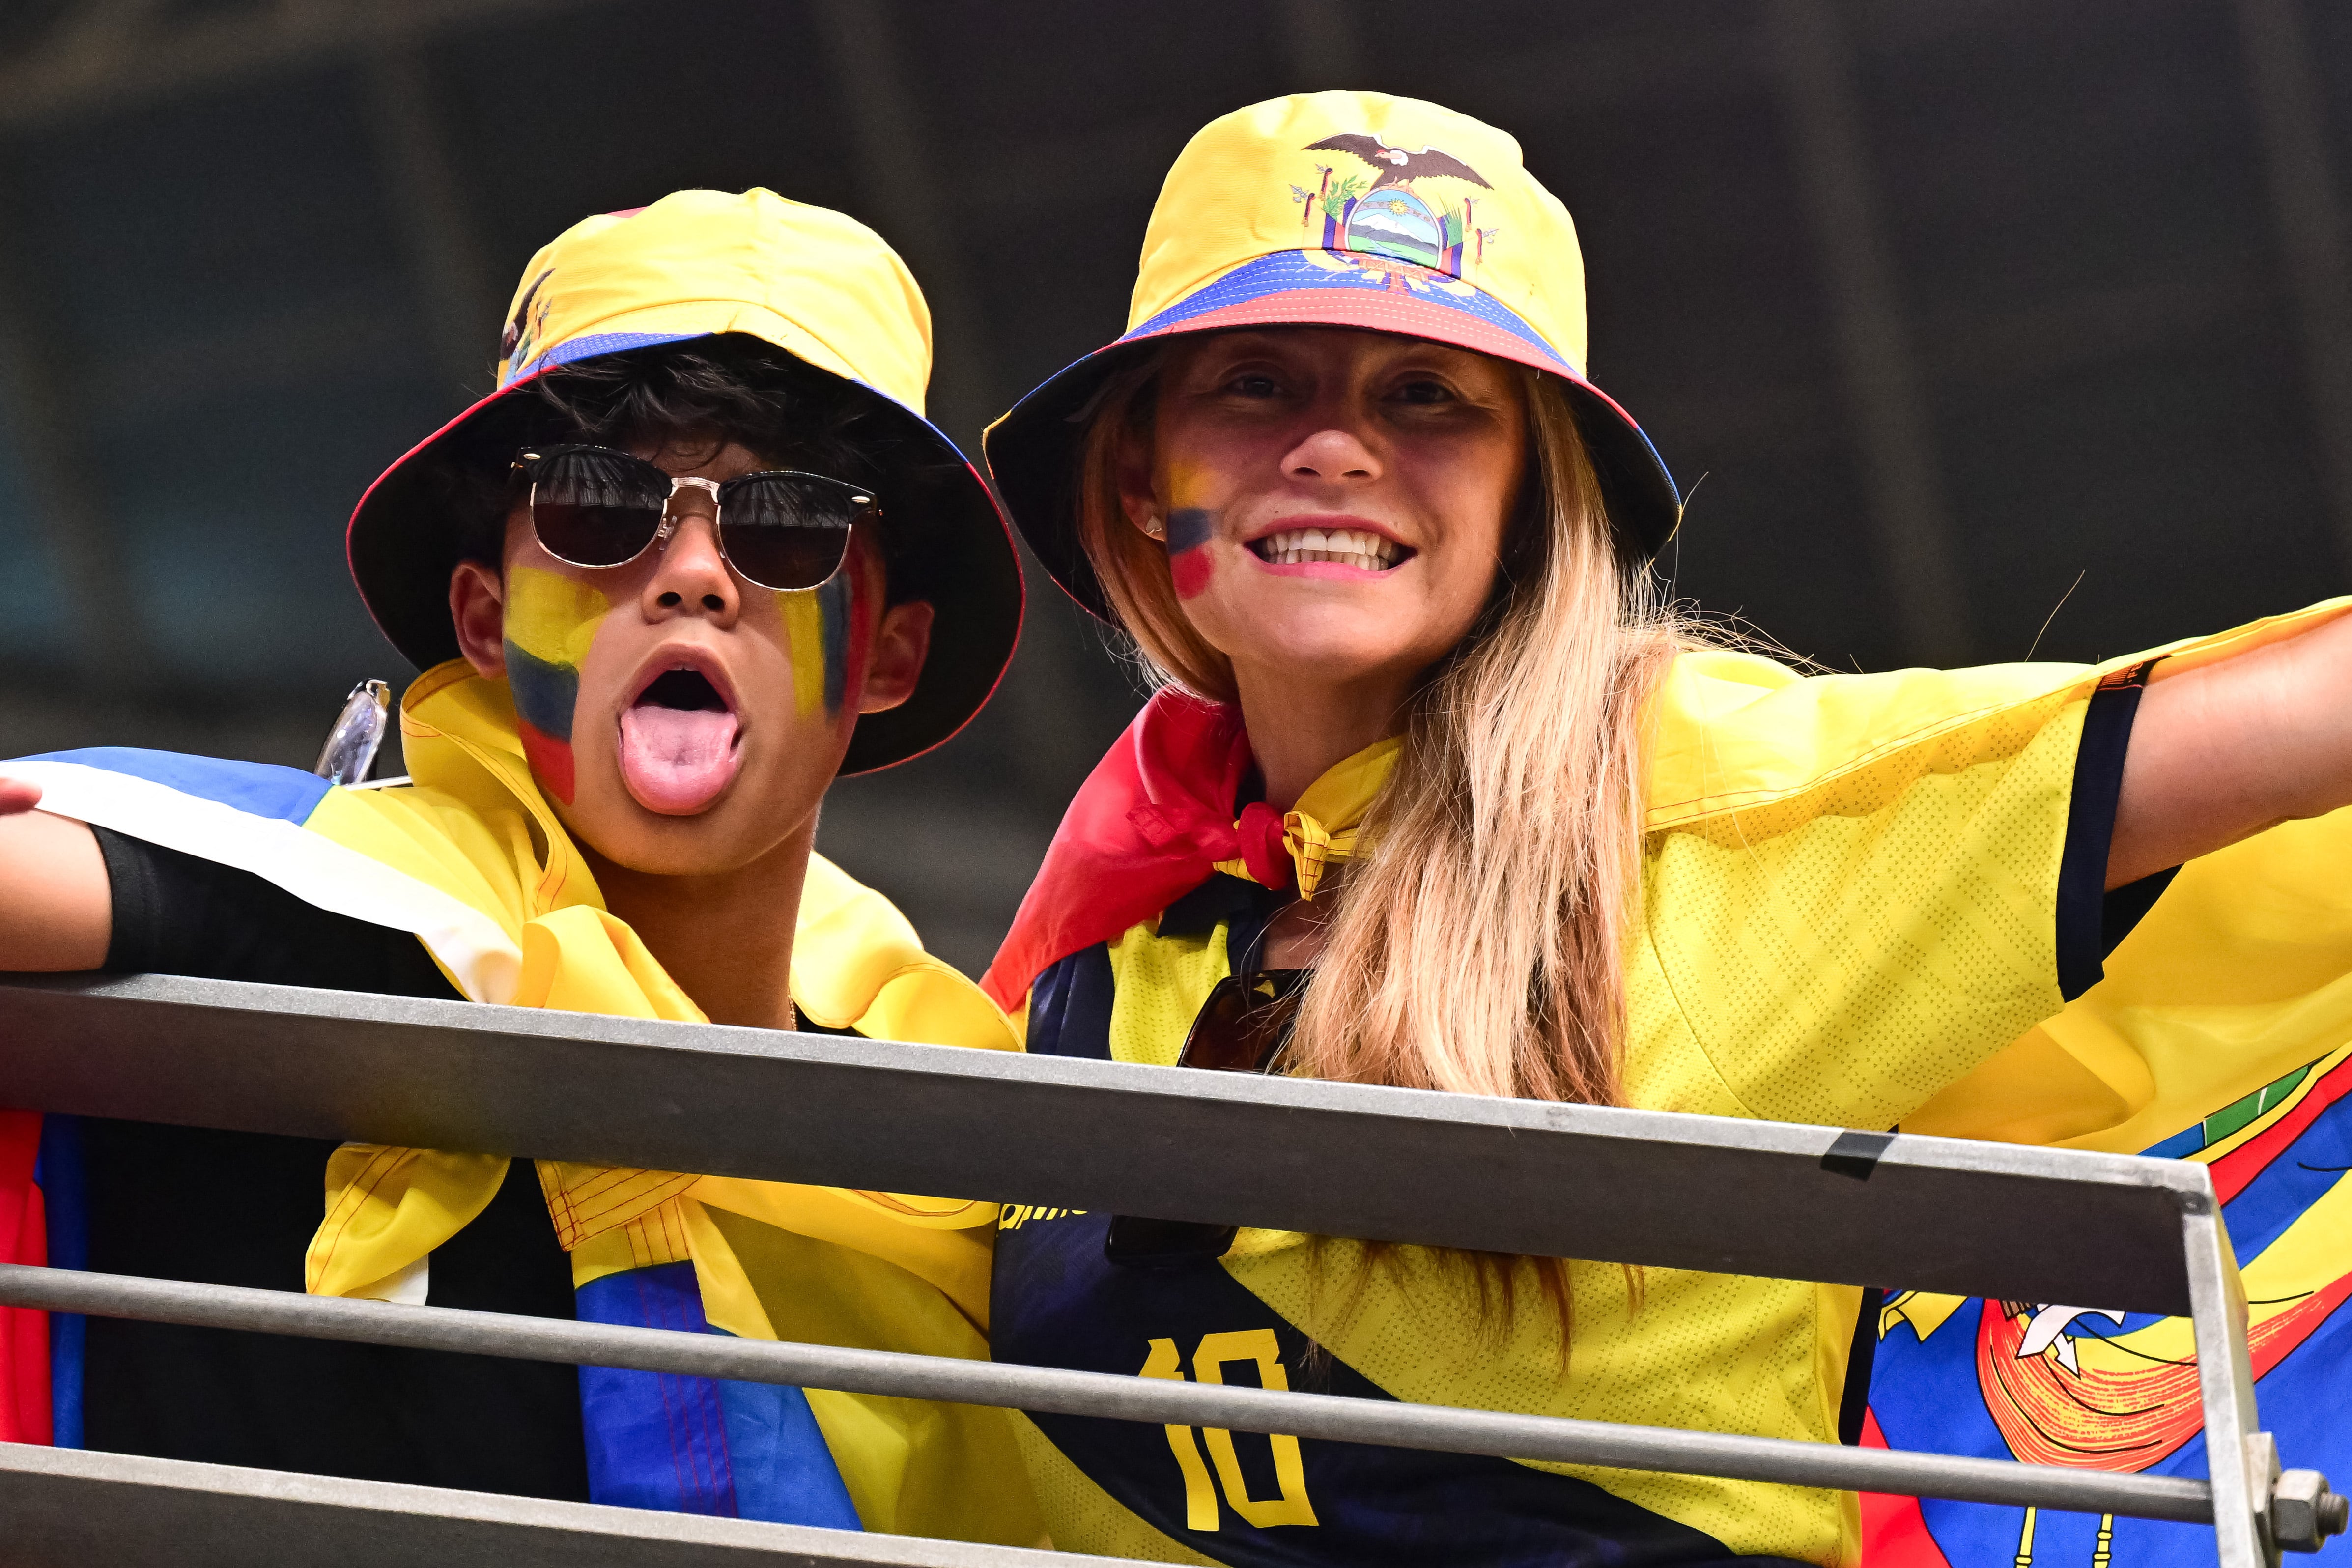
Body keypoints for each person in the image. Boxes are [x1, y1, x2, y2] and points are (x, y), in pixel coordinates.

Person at [976, 92, 2352, 1566]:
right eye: (1253, 382)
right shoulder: (1097, 946)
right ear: (1139, 474)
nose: (1332, 445)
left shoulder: (1720, 824)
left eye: (1427, 394)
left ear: (1529, 492)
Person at [0, 188, 1044, 1545]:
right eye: (601, 510)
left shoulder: (957, 1112)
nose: (692, 576)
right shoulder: (357, 902)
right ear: (486, 622)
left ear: (889, 657)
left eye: (784, 529)